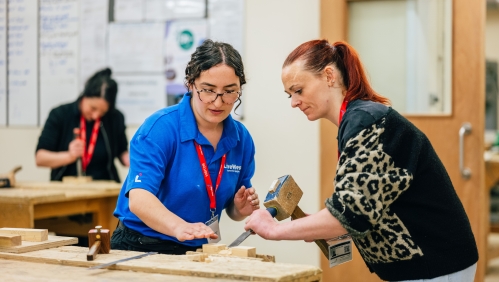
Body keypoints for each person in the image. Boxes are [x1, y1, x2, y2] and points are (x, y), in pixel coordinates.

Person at [244, 40, 478, 281]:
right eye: (289, 95)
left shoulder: (367, 123)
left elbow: (349, 215)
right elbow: (357, 204)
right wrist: (315, 224)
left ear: (329, 76)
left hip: (435, 265)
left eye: (299, 90)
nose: (294, 102)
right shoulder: (357, 120)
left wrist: (273, 230)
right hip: (428, 264)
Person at [111, 39, 260, 255]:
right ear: (190, 84)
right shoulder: (160, 128)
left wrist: (240, 209)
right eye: (208, 90)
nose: (218, 102)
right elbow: (139, 199)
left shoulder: (241, 138)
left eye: (230, 92)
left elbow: (233, 209)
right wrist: (179, 227)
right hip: (140, 243)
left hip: (194, 247)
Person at [36, 68, 129, 183]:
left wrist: (133, 160)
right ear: (84, 96)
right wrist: (69, 156)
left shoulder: (115, 117)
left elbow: (122, 151)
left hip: (105, 189)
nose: (96, 116)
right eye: (93, 108)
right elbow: (40, 158)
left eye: (102, 112)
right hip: (66, 189)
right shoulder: (60, 114)